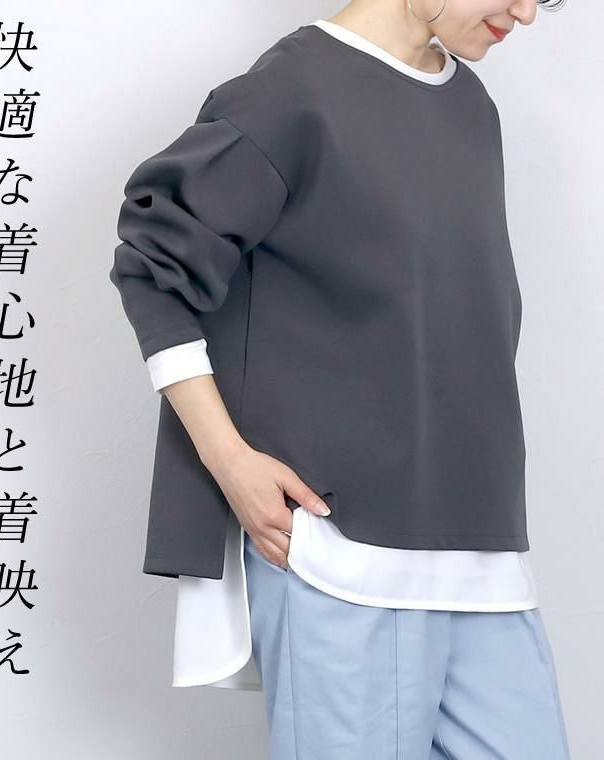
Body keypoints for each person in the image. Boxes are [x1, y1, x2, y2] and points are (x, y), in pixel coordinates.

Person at [109, 0, 572, 757]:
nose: (525, 13)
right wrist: (230, 462)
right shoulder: (291, 94)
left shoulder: (468, 103)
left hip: (478, 549)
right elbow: (153, 266)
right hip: (342, 545)